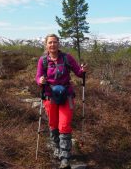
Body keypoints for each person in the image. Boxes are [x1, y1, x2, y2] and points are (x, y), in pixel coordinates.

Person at [35, 34, 87, 169]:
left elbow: (79, 73)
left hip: (66, 96)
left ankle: (65, 158)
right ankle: (56, 148)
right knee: (53, 125)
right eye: (50, 42)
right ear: (46, 45)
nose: (53, 45)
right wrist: (40, 81)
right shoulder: (43, 60)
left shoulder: (67, 58)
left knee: (64, 125)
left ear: (59, 43)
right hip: (49, 97)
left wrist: (83, 70)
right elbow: (38, 77)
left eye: (55, 42)